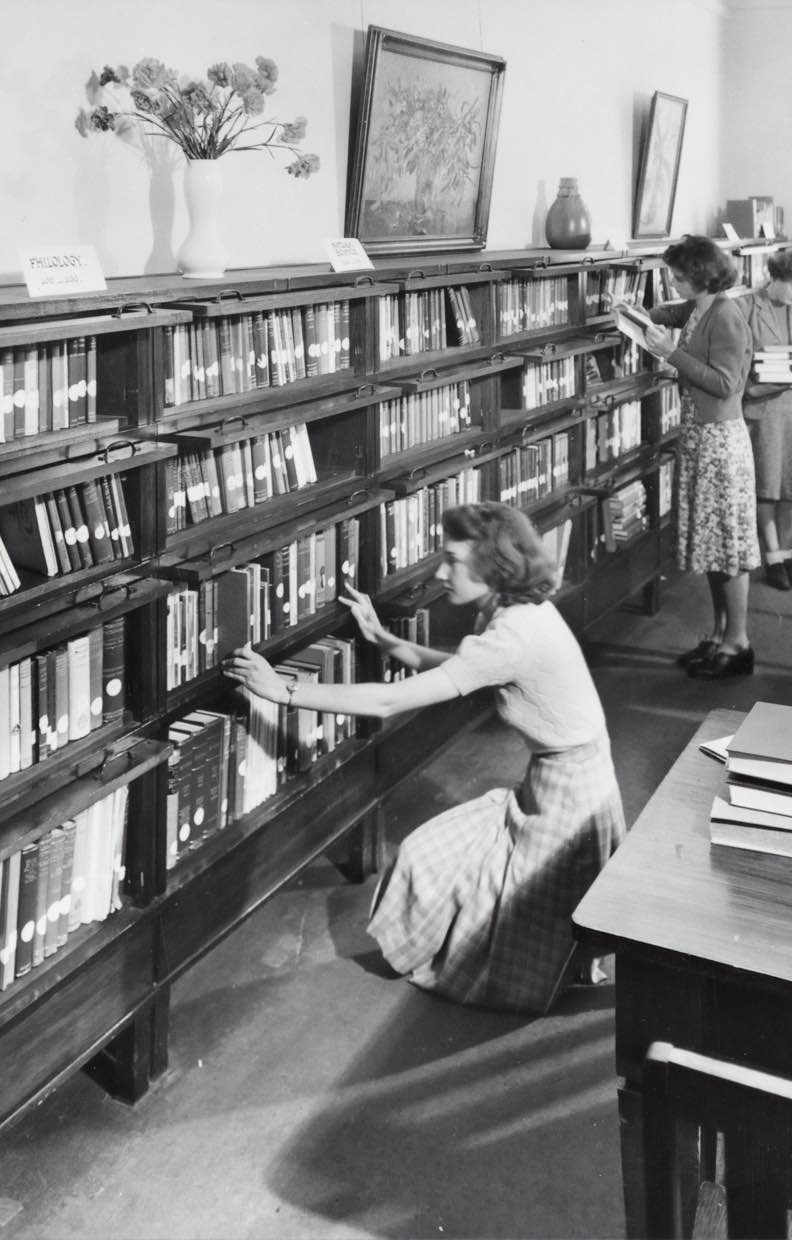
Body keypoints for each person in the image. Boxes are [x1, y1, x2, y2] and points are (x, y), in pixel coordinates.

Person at [222, 501, 626, 1014]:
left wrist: (284, 692)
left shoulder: (513, 634)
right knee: (454, 872)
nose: (440, 573)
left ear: (494, 565)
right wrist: (385, 640)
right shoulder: (515, 611)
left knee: (524, 920)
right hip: (564, 777)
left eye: (452, 561)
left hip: (570, 798)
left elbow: (390, 701)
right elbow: (463, 667)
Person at [634, 234, 760, 678]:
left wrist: (672, 354)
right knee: (711, 546)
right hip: (700, 438)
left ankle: (738, 643)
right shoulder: (700, 307)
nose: (673, 281)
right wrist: (632, 312)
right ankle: (721, 634)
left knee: (728, 548)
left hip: (720, 443)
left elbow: (726, 384)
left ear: (701, 276)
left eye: (678, 275)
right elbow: (668, 313)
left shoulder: (726, 316)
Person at [738, 248, 792, 591]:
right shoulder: (746, 307)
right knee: (768, 486)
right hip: (765, 408)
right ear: (776, 278)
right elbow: (734, 363)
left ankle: (787, 553)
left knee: (790, 486)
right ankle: (773, 557)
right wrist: (754, 386)